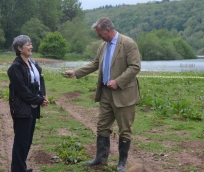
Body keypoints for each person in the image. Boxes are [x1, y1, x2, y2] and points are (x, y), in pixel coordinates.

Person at [64, 17, 141, 172]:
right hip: (106, 93)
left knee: (124, 129)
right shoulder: (103, 46)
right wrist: (76, 72)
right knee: (102, 126)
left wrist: (118, 81)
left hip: (124, 94)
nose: (99, 36)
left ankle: (122, 164)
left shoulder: (128, 43)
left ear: (108, 30)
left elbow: (135, 67)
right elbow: (95, 64)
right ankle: (100, 159)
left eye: (100, 33)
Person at [7, 35, 49, 172]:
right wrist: (39, 100)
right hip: (21, 108)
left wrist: (42, 96)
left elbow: (40, 80)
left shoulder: (33, 63)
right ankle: (17, 169)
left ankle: (21, 167)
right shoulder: (15, 68)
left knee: (28, 140)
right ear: (19, 48)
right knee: (21, 141)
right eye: (28, 44)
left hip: (32, 107)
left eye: (30, 43)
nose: (31, 46)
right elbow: (22, 91)